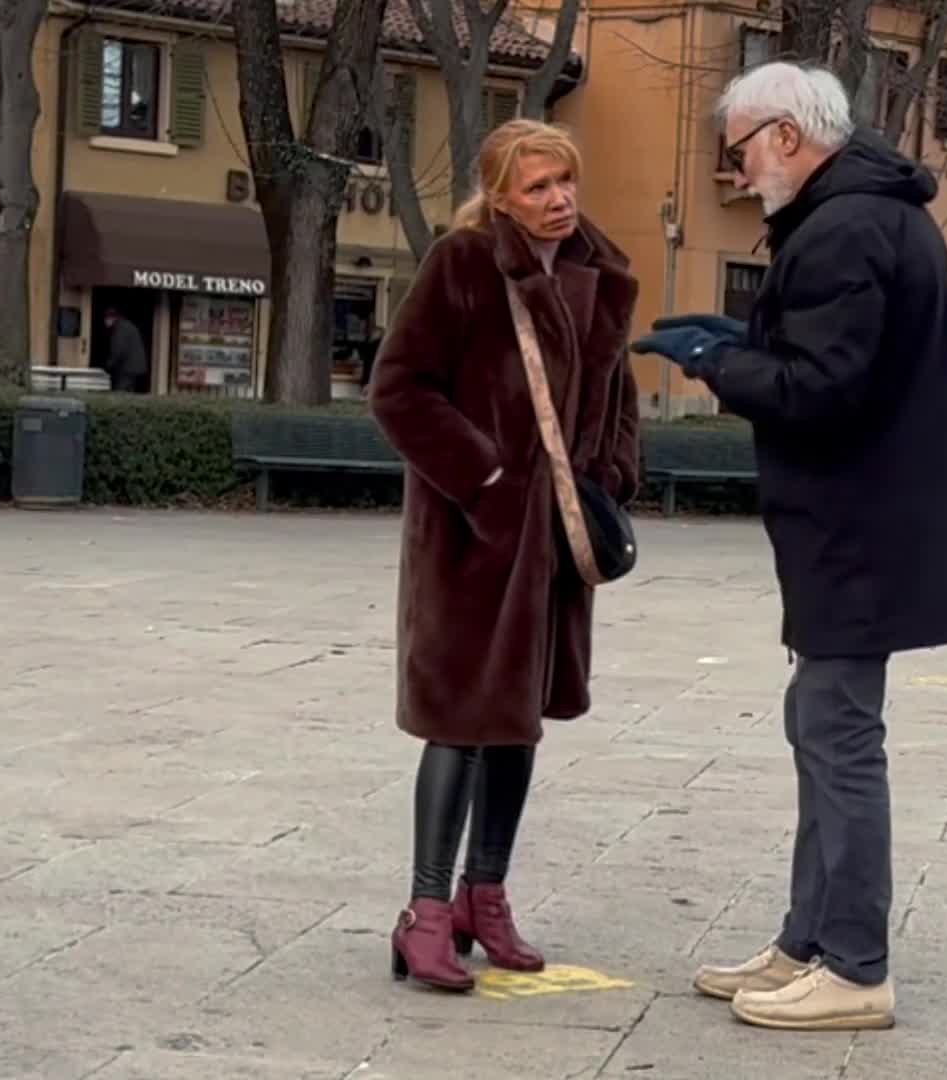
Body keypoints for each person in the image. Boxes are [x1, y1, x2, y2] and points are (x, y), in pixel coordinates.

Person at [631, 61, 947, 1031]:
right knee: (819, 723)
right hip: (866, 522)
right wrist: (744, 345)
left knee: (838, 736)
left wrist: (721, 366)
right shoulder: (871, 213)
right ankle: (808, 941)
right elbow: (830, 359)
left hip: (859, 527)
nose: (738, 171)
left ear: (786, 135)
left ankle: (856, 968)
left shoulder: (844, 226)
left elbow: (822, 389)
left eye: (741, 151)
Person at [367, 118, 643, 993]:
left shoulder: (600, 270)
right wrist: (485, 479)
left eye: (566, 180)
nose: (560, 199)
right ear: (498, 196)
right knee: (461, 718)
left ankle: (484, 898)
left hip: (555, 538)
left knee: (519, 716)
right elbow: (398, 388)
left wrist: (611, 477)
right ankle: (424, 912)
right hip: (471, 537)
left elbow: (618, 394)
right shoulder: (464, 263)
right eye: (538, 186)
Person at [101, 307, 147, 393]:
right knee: (129, 391)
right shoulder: (125, 326)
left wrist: (109, 365)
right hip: (133, 367)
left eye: (105, 319)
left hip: (127, 368)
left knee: (120, 391)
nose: (105, 323)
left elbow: (118, 350)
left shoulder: (120, 329)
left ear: (111, 318)